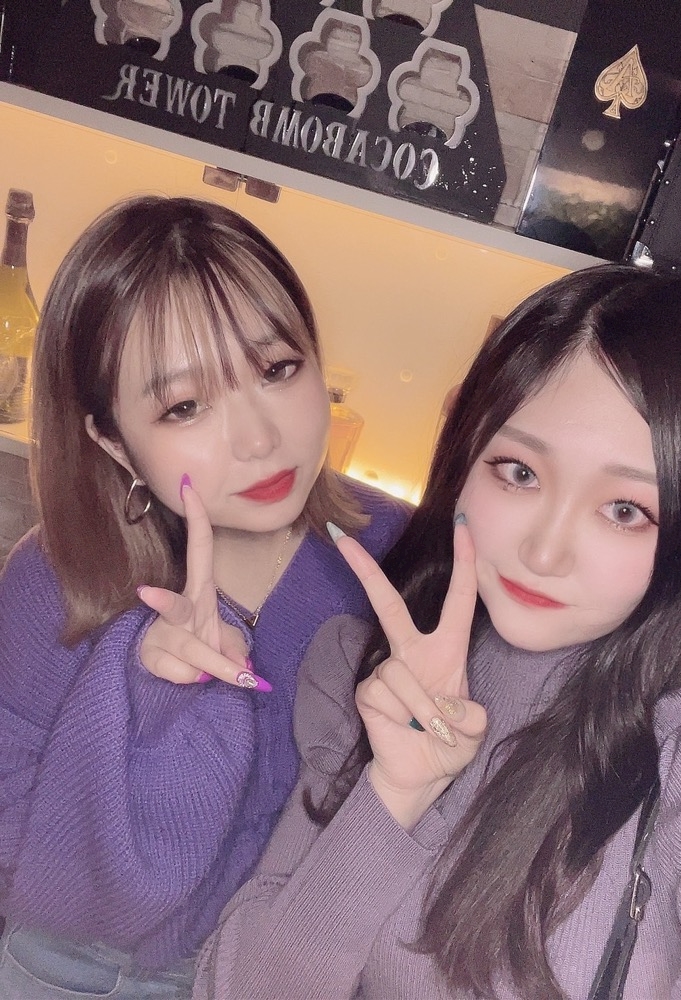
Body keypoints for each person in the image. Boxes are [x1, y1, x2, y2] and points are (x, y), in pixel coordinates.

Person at [194, 264, 681, 1000]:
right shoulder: (360, 669)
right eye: (518, 472)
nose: (543, 552)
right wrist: (394, 794)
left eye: (624, 510)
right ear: (464, 456)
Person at [0, 195, 410, 998]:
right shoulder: (60, 576)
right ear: (112, 440)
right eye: (184, 406)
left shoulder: (399, 559)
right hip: (67, 970)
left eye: (277, 369)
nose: (259, 439)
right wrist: (143, 711)